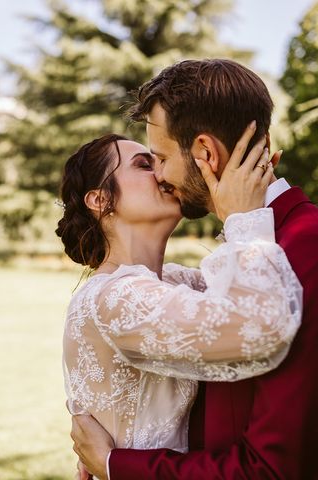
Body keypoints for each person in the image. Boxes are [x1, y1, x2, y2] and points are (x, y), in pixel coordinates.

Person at [71, 59, 318, 479]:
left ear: (205, 153)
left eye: (158, 157)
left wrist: (114, 464)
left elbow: (270, 469)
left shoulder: (311, 249)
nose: (160, 175)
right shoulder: (251, 248)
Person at [56, 128, 303, 476]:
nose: (162, 173)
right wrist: (243, 218)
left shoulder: (170, 281)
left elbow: (252, 284)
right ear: (100, 201)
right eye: (144, 164)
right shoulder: (115, 298)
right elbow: (257, 324)